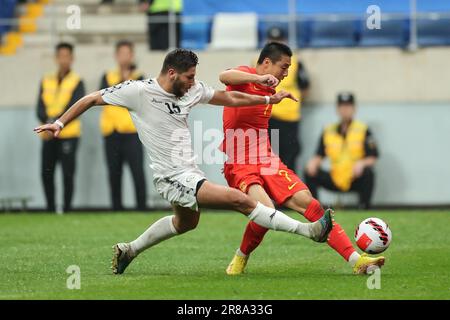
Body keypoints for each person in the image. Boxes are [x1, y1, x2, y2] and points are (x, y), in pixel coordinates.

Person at [34, 49, 334, 275]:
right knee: (239, 198)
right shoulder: (138, 91)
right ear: (172, 73)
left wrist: (268, 100)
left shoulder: (191, 90)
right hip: (171, 176)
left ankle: (129, 250)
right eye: (189, 76)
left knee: (186, 223)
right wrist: (59, 123)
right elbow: (90, 98)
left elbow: (230, 99)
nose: (194, 82)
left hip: (188, 172)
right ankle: (309, 231)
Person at [218, 42, 385, 275]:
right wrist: (259, 81)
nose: (286, 73)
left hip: (266, 159)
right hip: (239, 162)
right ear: (266, 63)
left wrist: (274, 95)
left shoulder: (270, 89)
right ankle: (241, 257)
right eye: (283, 67)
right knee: (265, 211)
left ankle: (357, 261)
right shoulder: (246, 75)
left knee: (309, 202)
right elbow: (223, 75)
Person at [305, 92, 379, 210]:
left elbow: (373, 156)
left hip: (354, 177)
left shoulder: (363, 129)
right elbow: (319, 154)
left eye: (348, 106)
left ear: (354, 109)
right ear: (337, 109)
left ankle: (364, 207)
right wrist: (313, 162)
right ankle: (315, 209)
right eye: (342, 106)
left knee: (369, 173)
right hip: (335, 176)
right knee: (309, 171)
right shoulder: (328, 130)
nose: (345, 109)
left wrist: (362, 163)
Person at [36, 42, 85, 213]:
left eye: (67, 56)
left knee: (67, 174)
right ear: (56, 58)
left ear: (72, 58)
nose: (64, 60)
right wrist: (49, 124)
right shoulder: (46, 79)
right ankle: (50, 208)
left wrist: (57, 123)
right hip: (48, 135)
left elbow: (75, 107)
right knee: (46, 172)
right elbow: (40, 107)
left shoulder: (77, 81)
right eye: (61, 56)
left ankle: (67, 208)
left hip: (69, 134)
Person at [100, 40, 147, 211]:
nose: (124, 57)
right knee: (114, 172)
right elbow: (104, 98)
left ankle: (142, 207)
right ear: (116, 56)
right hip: (111, 131)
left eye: (128, 54)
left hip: (131, 131)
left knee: (137, 172)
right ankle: (116, 207)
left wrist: (128, 77)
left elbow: (137, 98)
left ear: (132, 56)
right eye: (121, 54)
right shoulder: (107, 76)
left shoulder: (140, 77)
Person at [266, 26, 310, 173]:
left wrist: (291, 104)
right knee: (267, 160)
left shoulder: (295, 63)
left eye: (278, 41)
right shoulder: (259, 63)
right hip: (267, 118)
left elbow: (305, 87)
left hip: (289, 119)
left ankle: (290, 193)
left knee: (290, 157)